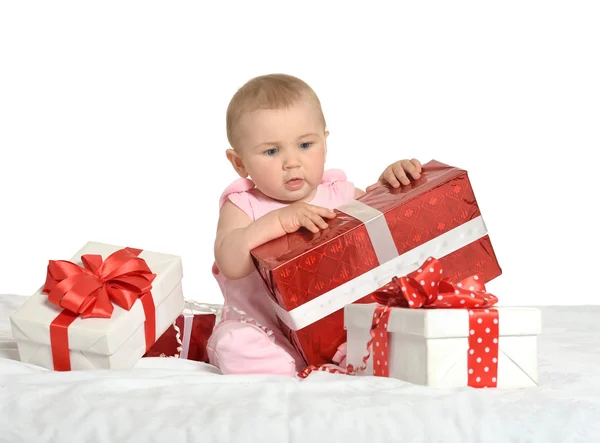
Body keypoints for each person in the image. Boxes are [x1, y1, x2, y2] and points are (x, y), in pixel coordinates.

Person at [207, 73, 422, 377]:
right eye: (272, 151)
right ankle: (280, 368)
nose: (292, 162)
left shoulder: (341, 193)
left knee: (394, 327)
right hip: (269, 333)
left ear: (324, 141)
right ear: (239, 163)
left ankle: (348, 358)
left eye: (305, 144)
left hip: (336, 330)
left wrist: (392, 181)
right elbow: (229, 261)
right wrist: (279, 220)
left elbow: (382, 223)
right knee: (234, 342)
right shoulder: (244, 205)